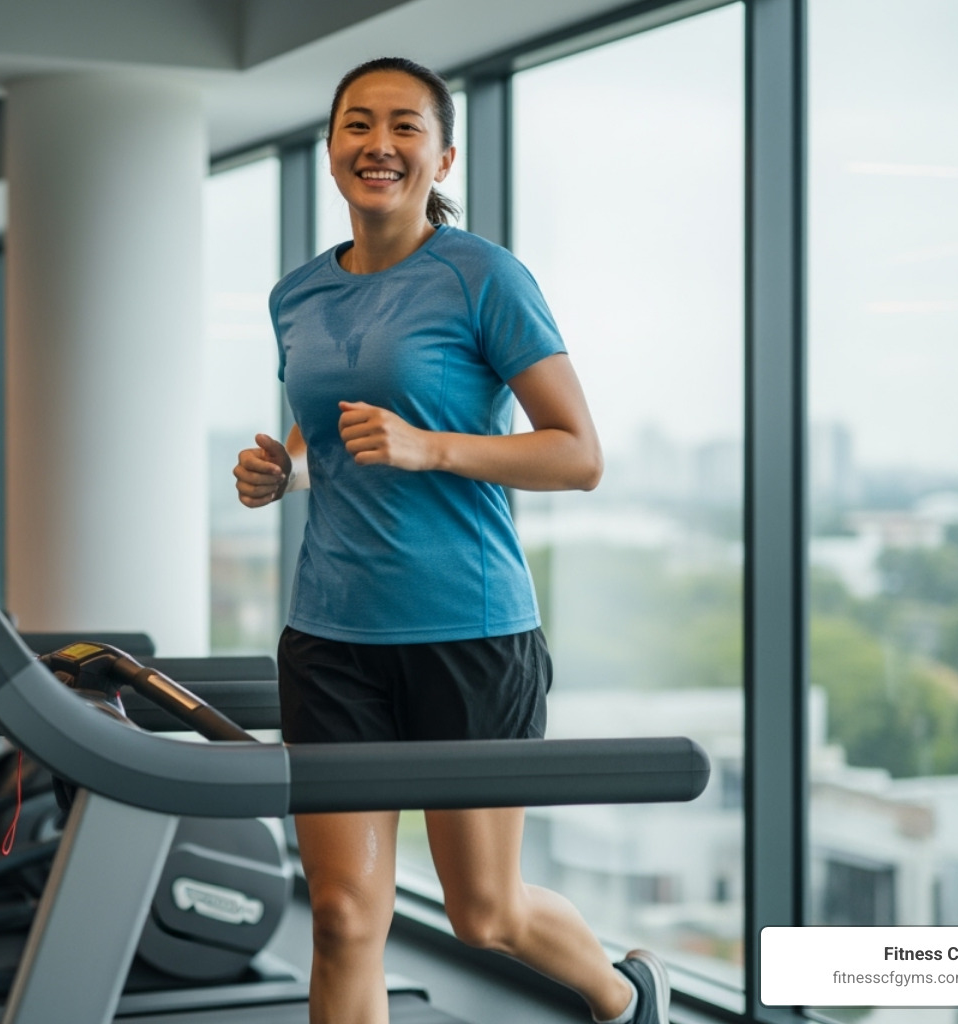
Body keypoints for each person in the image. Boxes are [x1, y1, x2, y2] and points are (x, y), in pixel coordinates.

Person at [233, 57, 668, 1024]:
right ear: (332, 146)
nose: (376, 145)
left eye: (402, 127)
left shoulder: (484, 276)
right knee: (344, 918)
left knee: (484, 914)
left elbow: (578, 454)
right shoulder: (296, 295)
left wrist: (432, 448)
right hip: (331, 638)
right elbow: (331, 417)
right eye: (356, 124)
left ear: (442, 154)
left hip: (467, 632)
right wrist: (288, 469)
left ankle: (622, 995)